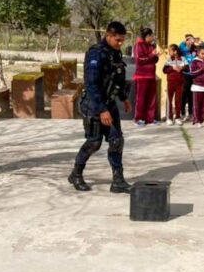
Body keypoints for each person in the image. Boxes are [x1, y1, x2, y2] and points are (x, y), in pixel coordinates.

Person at [68, 22, 132, 193]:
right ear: (108, 36)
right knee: (94, 142)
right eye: (118, 40)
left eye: (122, 40)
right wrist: (102, 109)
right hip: (94, 105)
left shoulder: (115, 53)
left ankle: (118, 181)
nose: (120, 43)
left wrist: (124, 98)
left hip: (110, 104)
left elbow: (118, 78)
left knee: (116, 141)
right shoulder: (96, 53)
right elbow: (91, 84)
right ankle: (76, 173)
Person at [133, 27, 161, 127]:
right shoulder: (138, 45)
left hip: (151, 75)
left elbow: (155, 60)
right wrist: (152, 55)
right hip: (141, 76)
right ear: (147, 36)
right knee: (141, 98)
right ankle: (139, 118)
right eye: (151, 36)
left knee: (152, 98)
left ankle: (150, 118)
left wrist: (156, 55)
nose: (153, 38)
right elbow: (140, 59)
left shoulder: (151, 46)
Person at [163, 44, 187, 125]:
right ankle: (169, 117)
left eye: (170, 51)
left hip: (180, 83)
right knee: (169, 100)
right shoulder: (169, 59)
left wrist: (181, 67)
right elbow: (164, 70)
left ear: (175, 51)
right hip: (171, 82)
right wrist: (172, 68)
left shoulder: (182, 58)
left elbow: (187, 68)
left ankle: (177, 117)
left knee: (178, 100)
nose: (169, 52)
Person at [190, 45, 204, 127]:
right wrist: (202, 69)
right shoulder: (194, 62)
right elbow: (192, 73)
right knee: (197, 106)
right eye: (202, 54)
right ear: (198, 53)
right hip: (197, 87)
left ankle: (202, 120)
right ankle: (196, 120)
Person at [178, 34, 196, 117]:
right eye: (188, 40)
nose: (190, 41)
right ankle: (182, 111)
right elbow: (180, 47)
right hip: (185, 74)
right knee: (184, 93)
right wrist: (185, 41)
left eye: (191, 40)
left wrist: (200, 42)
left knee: (191, 94)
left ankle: (191, 112)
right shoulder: (184, 50)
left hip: (193, 75)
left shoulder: (194, 50)